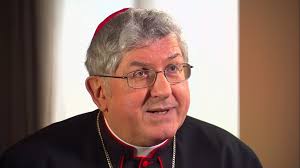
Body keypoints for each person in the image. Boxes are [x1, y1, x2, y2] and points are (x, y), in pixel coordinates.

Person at [0, 8, 262, 168]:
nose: (162, 91)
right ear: (99, 92)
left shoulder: (233, 160)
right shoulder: (30, 162)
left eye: (173, 68)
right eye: (140, 73)